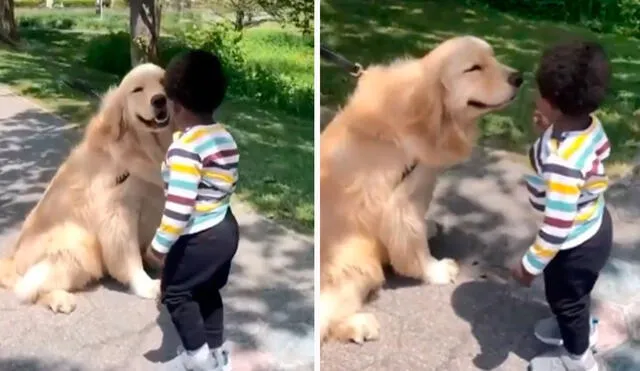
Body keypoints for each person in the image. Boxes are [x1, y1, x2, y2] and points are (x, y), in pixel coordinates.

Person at [510, 40, 612, 371]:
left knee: (567, 299)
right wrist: (550, 129)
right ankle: (580, 330)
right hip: (595, 224)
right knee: (573, 297)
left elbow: (556, 227)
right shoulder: (588, 125)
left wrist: (529, 264)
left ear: (551, 103)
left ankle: (578, 358)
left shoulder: (562, 162)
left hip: (574, 243)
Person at [146, 49, 239, 371]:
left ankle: (197, 360)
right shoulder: (223, 136)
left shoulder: (185, 149)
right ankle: (217, 353)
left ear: (175, 104)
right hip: (225, 227)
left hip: (200, 235)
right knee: (208, 290)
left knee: (175, 294)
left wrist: (159, 247)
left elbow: (179, 208)